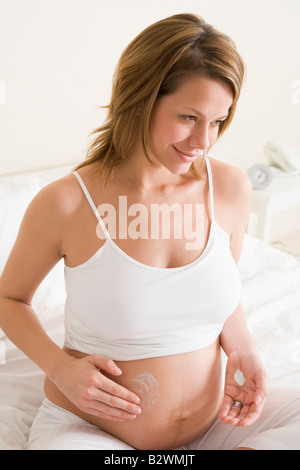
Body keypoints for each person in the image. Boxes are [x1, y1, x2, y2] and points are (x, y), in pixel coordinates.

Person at [0, 13, 299, 451]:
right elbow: (10, 299)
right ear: (139, 99)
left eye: (218, 121)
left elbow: (220, 294)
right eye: (188, 117)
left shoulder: (230, 188)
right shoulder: (67, 203)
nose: (203, 140)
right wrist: (61, 368)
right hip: (93, 431)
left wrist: (243, 347)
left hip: (216, 424)